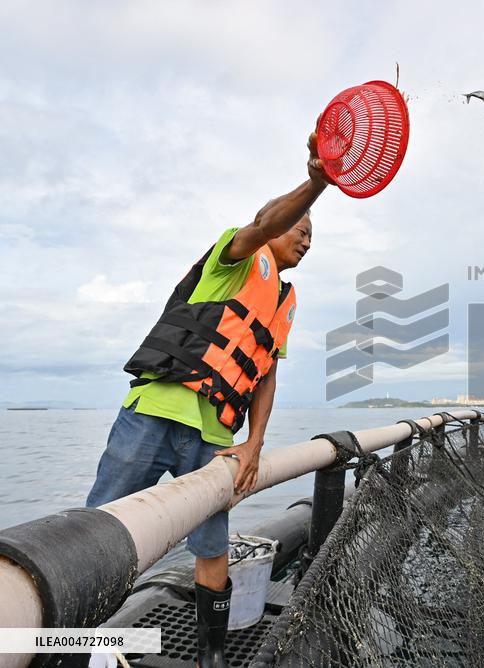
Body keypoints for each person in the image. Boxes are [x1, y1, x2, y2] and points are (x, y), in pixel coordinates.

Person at [85, 133, 333, 667]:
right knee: (100, 532)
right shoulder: (235, 256)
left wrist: (255, 444)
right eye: (300, 226)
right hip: (155, 413)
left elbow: (264, 375)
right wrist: (317, 182)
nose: (306, 239)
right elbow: (266, 224)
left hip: (216, 438)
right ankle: (79, 649)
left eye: (312, 234)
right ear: (273, 220)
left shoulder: (284, 303)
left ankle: (212, 656)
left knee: (213, 546)